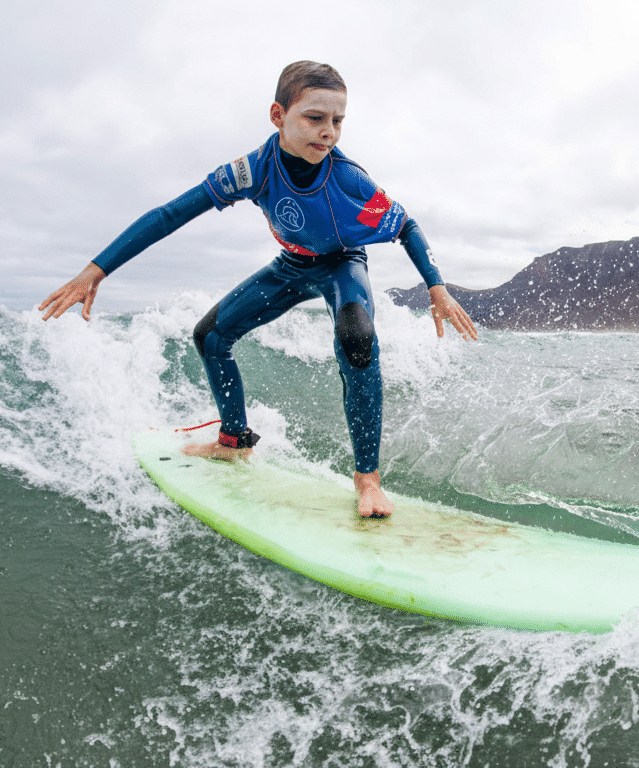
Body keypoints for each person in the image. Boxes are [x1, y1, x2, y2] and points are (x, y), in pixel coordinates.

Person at [39, 61, 477, 519]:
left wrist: (437, 289)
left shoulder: (349, 180)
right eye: (315, 117)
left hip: (342, 266)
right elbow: (171, 213)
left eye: (338, 121)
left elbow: (405, 224)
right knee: (210, 335)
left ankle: (367, 480)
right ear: (278, 115)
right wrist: (96, 270)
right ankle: (234, 441)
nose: (328, 132)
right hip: (291, 267)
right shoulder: (250, 171)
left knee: (358, 341)